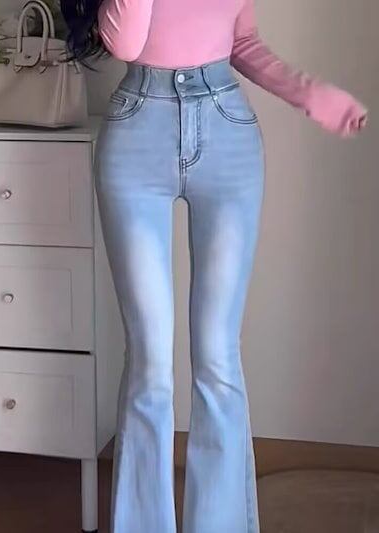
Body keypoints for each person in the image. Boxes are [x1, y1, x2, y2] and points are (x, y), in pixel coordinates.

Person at [61, 1, 368, 532]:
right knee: (150, 366)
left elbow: (242, 40)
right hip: (138, 131)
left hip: (227, 131)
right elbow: (126, 43)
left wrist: (310, 94)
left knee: (218, 359)